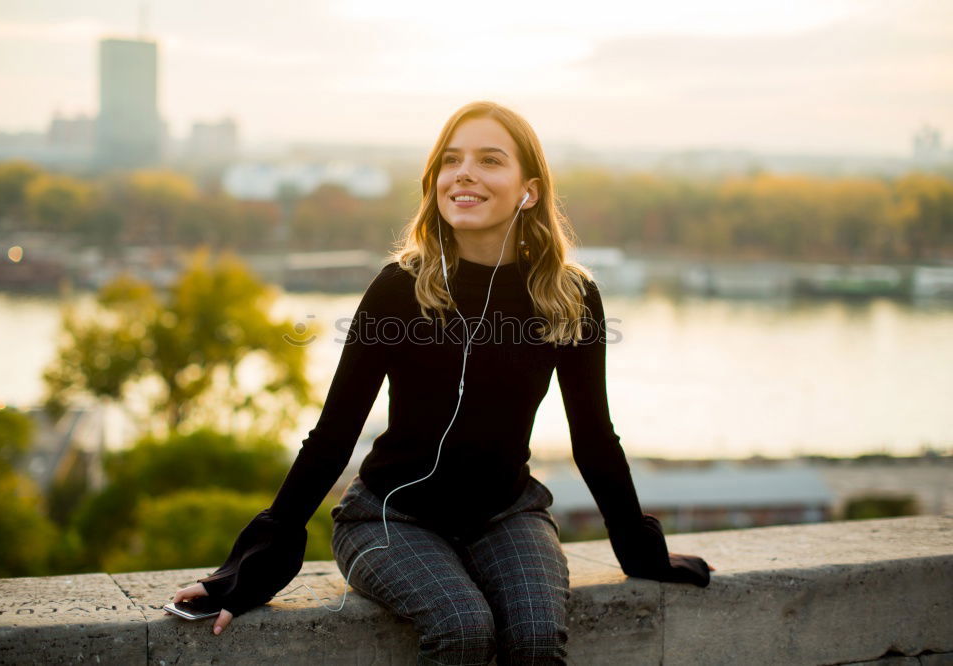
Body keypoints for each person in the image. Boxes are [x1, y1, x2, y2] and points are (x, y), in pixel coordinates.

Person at [170, 100, 715, 664]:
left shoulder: (570, 297)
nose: (465, 173)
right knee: (462, 626)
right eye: (451, 160)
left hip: (507, 514)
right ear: (434, 183)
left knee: (534, 638)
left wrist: (641, 551)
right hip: (386, 519)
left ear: (528, 190)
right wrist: (252, 569)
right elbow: (333, 434)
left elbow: (595, 437)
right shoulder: (399, 289)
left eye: (489, 160)